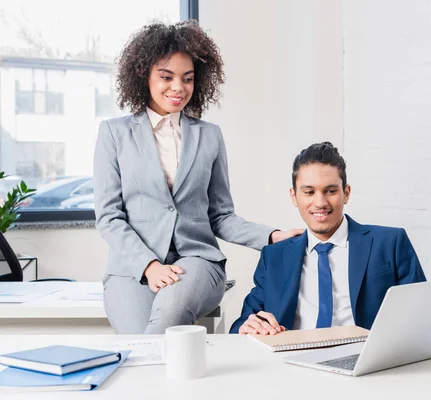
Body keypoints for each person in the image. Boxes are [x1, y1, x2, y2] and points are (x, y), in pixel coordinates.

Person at [93, 21, 301, 334]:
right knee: (139, 346)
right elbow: (109, 217)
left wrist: (270, 237)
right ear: (143, 75)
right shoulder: (114, 134)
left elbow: (221, 216)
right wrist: (149, 266)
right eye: (167, 77)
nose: (178, 88)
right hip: (132, 269)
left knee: (164, 324)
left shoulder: (210, 137)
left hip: (198, 261)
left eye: (187, 79)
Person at [230, 142, 426, 334]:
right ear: (294, 196)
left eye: (330, 191)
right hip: (293, 359)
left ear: (346, 193)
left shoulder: (390, 243)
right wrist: (247, 328)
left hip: (365, 359)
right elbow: (241, 325)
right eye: (309, 192)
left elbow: (423, 316)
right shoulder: (273, 256)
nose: (320, 203)